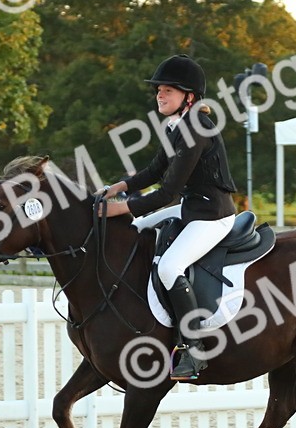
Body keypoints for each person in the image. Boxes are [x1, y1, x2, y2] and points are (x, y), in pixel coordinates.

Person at [96, 54, 238, 381]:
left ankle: (194, 348)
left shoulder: (197, 128)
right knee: (135, 229)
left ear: (189, 96)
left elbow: (167, 192)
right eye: (158, 90)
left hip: (212, 215)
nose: (159, 95)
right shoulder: (176, 126)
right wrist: (117, 187)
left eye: (168, 90)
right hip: (192, 208)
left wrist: (119, 208)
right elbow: (154, 170)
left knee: (170, 266)